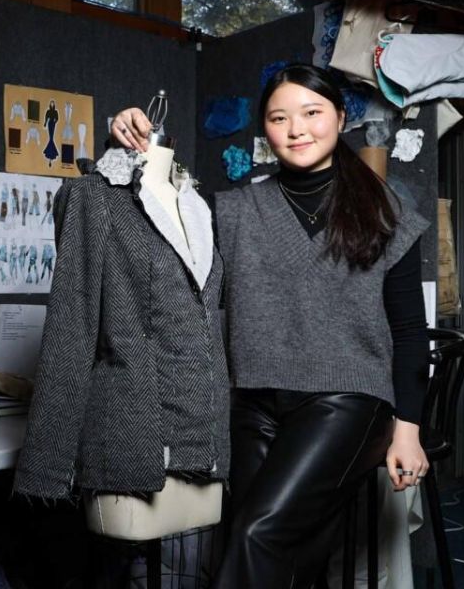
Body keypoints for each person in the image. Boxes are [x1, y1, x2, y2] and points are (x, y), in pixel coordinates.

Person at [111, 63, 430, 588]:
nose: (296, 129)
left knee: (257, 534)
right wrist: (135, 148)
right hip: (252, 400)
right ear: (266, 130)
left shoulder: (386, 211)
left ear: (340, 117)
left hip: (347, 400)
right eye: (279, 118)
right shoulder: (232, 209)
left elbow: (411, 332)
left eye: (311, 113)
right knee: (285, 555)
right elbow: (155, 225)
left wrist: (409, 431)